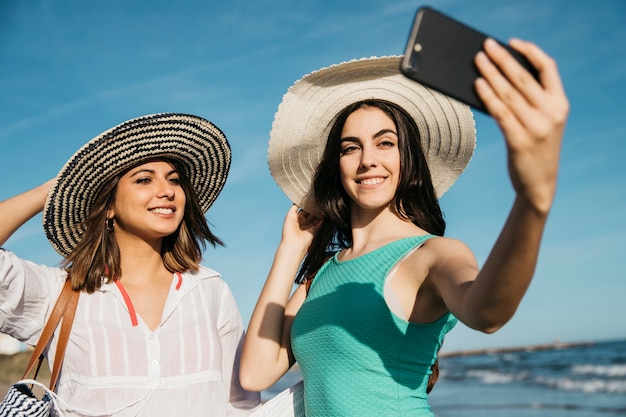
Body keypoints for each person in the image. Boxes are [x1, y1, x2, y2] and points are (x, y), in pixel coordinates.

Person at [240, 38, 569, 416]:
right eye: (350, 148)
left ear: (407, 156)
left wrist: (532, 203)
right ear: (338, 166)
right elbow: (255, 374)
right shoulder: (321, 274)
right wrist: (292, 248)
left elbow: (487, 313)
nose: (367, 160)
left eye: (385, 143)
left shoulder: (431, 255)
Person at [0, 113, 261, 416]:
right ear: (108, 206)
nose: (167, 190)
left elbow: (241, 403)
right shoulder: (59, 292)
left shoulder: (210, 290)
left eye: (174, 179)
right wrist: (60, 187)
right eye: (144, 179)